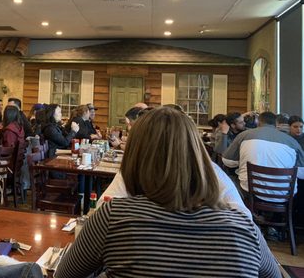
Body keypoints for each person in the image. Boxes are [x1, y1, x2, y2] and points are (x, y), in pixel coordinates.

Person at [56, 107, 280, 278]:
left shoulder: (114, 217)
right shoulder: (244, 227)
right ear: (198, 155)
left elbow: (64, 274)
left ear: (135, 156)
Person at [223, 111, 304, 198]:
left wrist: (241, 160)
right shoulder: (293, 142)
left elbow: (227, 161)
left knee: (229, 179)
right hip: (283, 195)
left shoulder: (244, 135)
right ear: (276, 124)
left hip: (250, 192)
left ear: (258, 122)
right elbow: (302, 173)